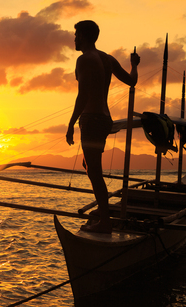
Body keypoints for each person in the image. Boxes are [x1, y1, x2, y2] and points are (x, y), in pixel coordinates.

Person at [66, 20, 140, 234]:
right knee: (90, 166)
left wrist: (71, 123)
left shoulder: (84, 60)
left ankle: (105, 223)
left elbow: (83, 95)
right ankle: (104, 215)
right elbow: (132, 80)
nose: (75, 39)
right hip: (104, 120)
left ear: (85, 36)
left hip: (91, 119)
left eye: (77, 35)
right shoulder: (108, 59)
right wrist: (134, 64)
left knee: (94, 172)